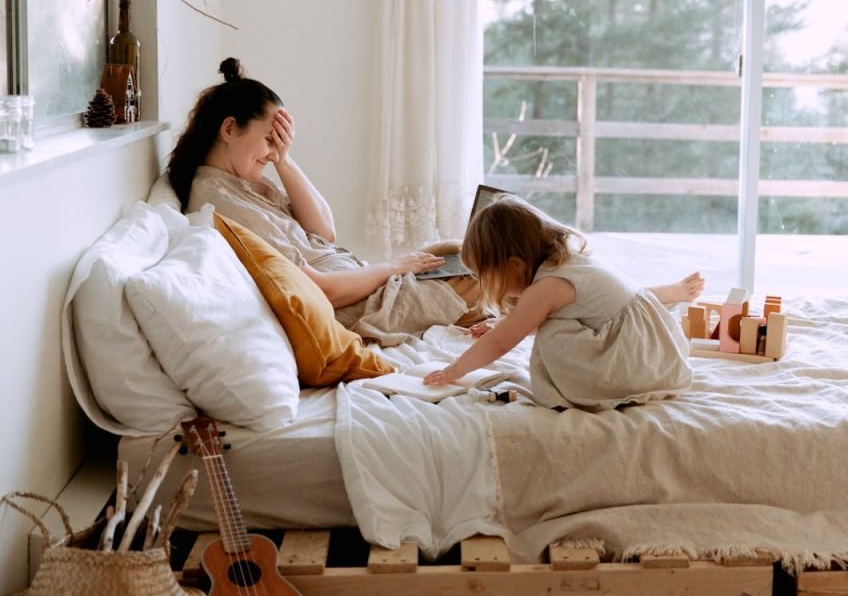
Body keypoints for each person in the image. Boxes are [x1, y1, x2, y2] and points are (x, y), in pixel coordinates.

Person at [166, 57, 481, 346]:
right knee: (486, 269)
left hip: (364, 283)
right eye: (269, 140)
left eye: (280, 142)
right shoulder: (222, 203)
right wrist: (392, 267)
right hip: (361, 307)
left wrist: (284, 160)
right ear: (230, 128)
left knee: (455, 250)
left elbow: (324, 231)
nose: (273, 152)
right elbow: (320, 290)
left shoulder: (241, 184)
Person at [423, 194, 704, 411]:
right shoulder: (568, 263)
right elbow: (532, 320)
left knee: (553, 334)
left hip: (631, 364)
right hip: (659, 358)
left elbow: (501, 343)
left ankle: (580, 392)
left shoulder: (546, 287)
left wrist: (454, 370)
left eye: (485, 276)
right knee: (554, 323)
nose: (483, 285)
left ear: (515, 265)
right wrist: (502, 323)